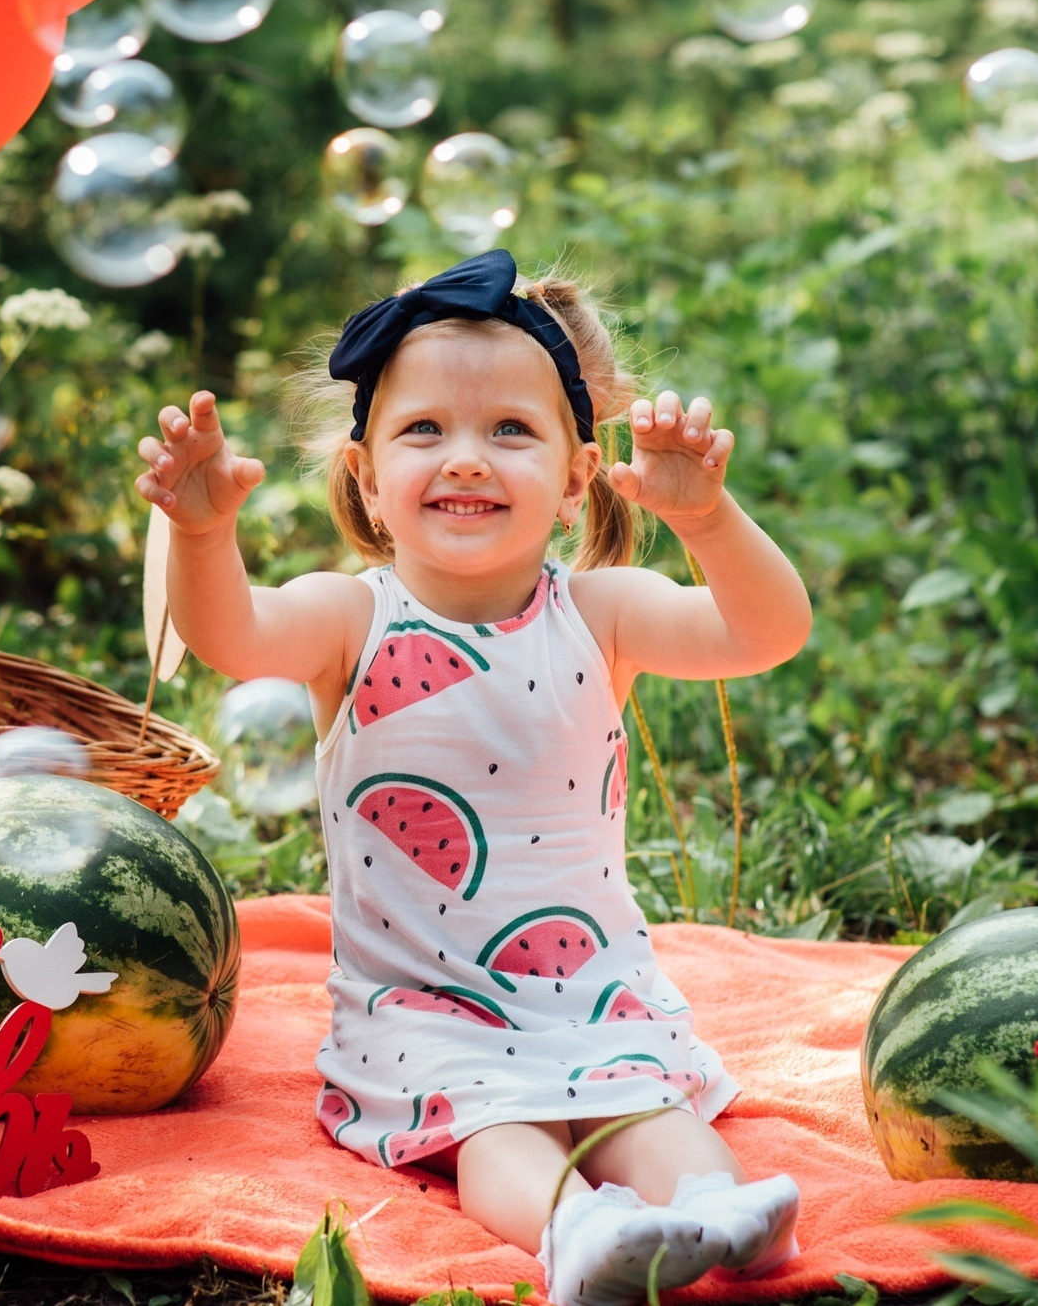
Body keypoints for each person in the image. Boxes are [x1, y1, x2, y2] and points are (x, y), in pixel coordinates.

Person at [134, 252, 815, 1306]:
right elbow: (232, 634)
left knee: (646, 1105)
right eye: (424, 429)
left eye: (509, 429)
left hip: (593, 987)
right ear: (366, 476)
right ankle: (576, 1229)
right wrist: (202, 531)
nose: (466, 458)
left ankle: (720, 1210)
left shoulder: (600, 612)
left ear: (577, 476)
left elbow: (769, 632)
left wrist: (707, 520)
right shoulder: (349, 617)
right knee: (494, 1126)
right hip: (424, 1008)